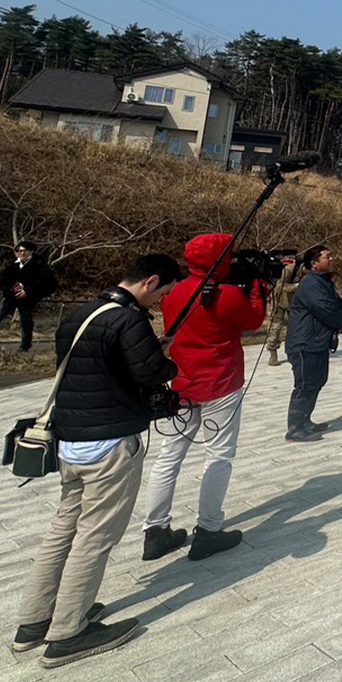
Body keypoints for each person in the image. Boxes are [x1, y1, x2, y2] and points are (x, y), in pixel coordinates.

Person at [11, 253, 182, 668]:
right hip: (110, 445)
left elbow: (96, 370)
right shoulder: (128, 319)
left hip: (71, 443)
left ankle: (33, 622)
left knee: (63, 531)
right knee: (95, 537)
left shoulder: (78, 315)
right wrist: (166, 357)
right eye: (163, 293)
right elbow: (152, 373)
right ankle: (69, 632)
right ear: (151, 281)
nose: (161, 301)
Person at [141, 233, 266, 563]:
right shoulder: (225, 295)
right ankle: (208, 530)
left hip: (180, 381)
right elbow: (254, 320)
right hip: (221, 383)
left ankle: (155, 530)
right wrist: (256, 287)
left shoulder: (173, 291)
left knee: (169, 457)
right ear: (220, 261)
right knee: (219, 456)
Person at [285, 246, 342, 443]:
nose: (332, 259)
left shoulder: (323, 281)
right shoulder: (312, 284)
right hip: (305, 343)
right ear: (314, 264)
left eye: (331, 255)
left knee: (318, 381)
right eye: (327, 257)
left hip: (317, 342)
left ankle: (305, 420)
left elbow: (336, 305)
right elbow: (328, 310)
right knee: (305, 384)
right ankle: (295, 429)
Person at [0, 240, 58, 354]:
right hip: (11, 296)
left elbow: (43, 281)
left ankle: (25, 345)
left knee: (25, 321)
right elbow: (3, 280)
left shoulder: (39, 264)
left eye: (24, 251)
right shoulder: (14, 264)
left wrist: (28, 290)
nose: (22, 253)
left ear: (31, 252)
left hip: (27, 297)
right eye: (19, 251)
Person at [264, 256, 302, 367]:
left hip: (294, 302)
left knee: (297, 327)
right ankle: (273, 355)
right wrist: (297, 286)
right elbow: (280, 287)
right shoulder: (288, 270)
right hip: (278, 301)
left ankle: (295, 351)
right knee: (275, 328)